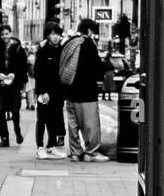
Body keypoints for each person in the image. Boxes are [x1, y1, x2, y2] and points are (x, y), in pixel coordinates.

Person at [60, 17, 109, 162]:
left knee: (73, 125)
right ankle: (91, 153)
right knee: (90, 124)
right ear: (89, 30)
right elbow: (98, 70)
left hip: (70, 91)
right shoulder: (87, 44)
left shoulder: (69, 43)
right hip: (86, 92)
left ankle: (76, 153)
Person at [0, 23, 27, 147]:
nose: (5, 37)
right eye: (2, 34)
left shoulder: (18, 48)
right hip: (1, 83)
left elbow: (23, 65)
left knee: (15, 109)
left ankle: (17, 131)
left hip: (14, 84)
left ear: (10, 34)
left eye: (7, 34)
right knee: (0, 110)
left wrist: (15, 75)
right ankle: (4, 138)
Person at [33, 20, 67, 158]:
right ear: (48, 36)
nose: (55, 37)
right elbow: (38, 73)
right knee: (42, 119)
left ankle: (51, 145)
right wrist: (42, 92)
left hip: (57, 91)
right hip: (44, 91)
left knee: (55, 118)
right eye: (53, 34)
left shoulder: (61, 50)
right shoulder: (42, 51)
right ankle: (40, 147)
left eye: (58, 34)